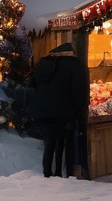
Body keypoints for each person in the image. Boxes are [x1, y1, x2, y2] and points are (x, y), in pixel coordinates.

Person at [28, 42, 86, 178]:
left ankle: (48, 174)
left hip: (42, 111)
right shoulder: (75, 66)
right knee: (63, 144)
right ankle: (61, 175)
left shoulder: (44, 64)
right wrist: (81, 116)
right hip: (63, 113)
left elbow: (32, 85)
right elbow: (79, 94)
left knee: (49, 143)